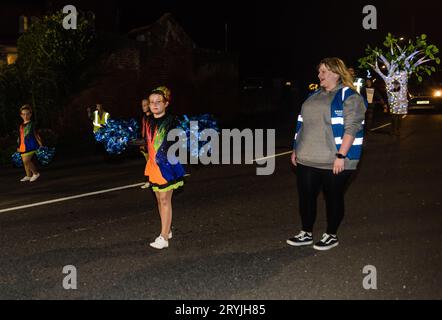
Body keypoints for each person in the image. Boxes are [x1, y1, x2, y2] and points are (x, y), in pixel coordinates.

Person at [287, 57, 367, 251]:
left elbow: (352, 128)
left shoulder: (350, 96)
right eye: (319, 71)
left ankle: (331, 235)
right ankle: (306, 233)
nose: (319, 75)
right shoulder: (313, 95)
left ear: (336, 73)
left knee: (333, 198)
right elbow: (302, 123)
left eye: (323, 71)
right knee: (306, 198)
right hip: (307, 158)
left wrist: (341, 156)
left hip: (334, 160)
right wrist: (296, 148)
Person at [144, 86, 185, 249]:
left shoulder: (172, 121)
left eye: (158, 102)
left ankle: (163, 238)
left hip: (167, 165)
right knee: (159, 201)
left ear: (166, 104)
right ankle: (166, 231)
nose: (154, 105)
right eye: (151, 102)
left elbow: (177, 141)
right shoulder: (148, 120)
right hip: (153, 165)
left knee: (165, 199)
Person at [17, 104, 42, 182]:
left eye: (27, 113)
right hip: (23, 146)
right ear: (21, 115)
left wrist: (41, 144)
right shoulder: (21, 125)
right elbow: (20, 136)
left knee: (26, 161)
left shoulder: (32, 124)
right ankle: (28, 175)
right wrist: (18, 146)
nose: (25, 116)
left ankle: (35, 173)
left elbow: (36, 134)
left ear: (30, 114)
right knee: (25, 162)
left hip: (31, 145)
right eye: (23, 114)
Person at [140, 98, 151, 189]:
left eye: (145, 105)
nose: (143, 107)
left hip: (152, 144)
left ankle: (149, 181)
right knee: (148, 163)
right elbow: (144, 130)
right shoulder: (144, 117)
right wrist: (142, 143)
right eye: (142, 105)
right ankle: (149, 180)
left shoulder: (153, 117)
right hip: (146, 144)